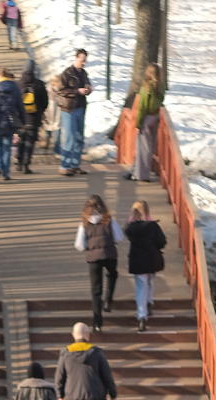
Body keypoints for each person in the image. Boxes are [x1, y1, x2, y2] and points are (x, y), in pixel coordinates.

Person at [74, 194, 124, 331]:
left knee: (96, 290)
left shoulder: (84, 223)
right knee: (112, 274)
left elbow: (79, 244)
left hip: (93, 258)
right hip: (109, 255)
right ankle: (108, 299)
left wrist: (89, 248)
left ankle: (97, 323)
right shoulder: (108, 220)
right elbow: (119, 237)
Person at [124, 199, 166, 332]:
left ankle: (142, 316)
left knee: (140, 286)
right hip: (152, 258)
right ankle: (149, 302)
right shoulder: (153, 226)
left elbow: (129, 235)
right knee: (150, 280)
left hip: (138, 260)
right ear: (147, 211)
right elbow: (162, 242)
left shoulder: (131, 228)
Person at [125, 63, 165, 183]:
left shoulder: (146, 87)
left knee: (142, 148)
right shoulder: (161, 87)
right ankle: (141, 172)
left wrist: (138, 124)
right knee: (149, 149)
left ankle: (140, 175)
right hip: (156, 118)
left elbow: (142, 107)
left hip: (146, 119)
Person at [56, 49, 92, 176]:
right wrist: (77, 91)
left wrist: (88, 89)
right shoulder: (67, 73)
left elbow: (87, 84)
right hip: (68, 109)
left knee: (79, 138)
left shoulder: (84, 73)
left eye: (85, 60)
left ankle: (75, 164)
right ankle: (64, 165)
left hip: (81, 107)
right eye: (82, 60)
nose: (83, 63)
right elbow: (60, 91)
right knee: (70, 137)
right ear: (76, 58)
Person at [0, 68, 26, 181]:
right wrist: (23, 121)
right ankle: (6, 173)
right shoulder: (14, 87)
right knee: (7, 148)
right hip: (10, 123)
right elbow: (20, 106)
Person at [16, 58, 48, 173]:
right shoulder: (39, 84)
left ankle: (19, 162)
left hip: (20, 119)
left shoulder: (18, 84)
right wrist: (40, 111)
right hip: (34, 119)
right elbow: (45, 102)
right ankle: (26, 165)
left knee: (21, 139)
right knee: (30, 141)